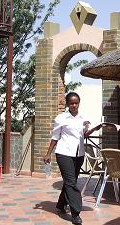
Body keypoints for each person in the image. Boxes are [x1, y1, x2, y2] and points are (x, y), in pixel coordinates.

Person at [43, 92, 103, 225]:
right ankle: (76, 213)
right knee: (71, 183)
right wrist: (48, 154)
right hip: (64, 153)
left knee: (70, 182)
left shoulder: (83, 117)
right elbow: (55, 137)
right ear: (67, 104)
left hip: (78, 154)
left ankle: (60, 205)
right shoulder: (61, 118)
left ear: (79, 103)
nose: (74, 105)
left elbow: (85, 134)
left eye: (76, 103)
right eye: (71, 103)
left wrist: (95, 128)